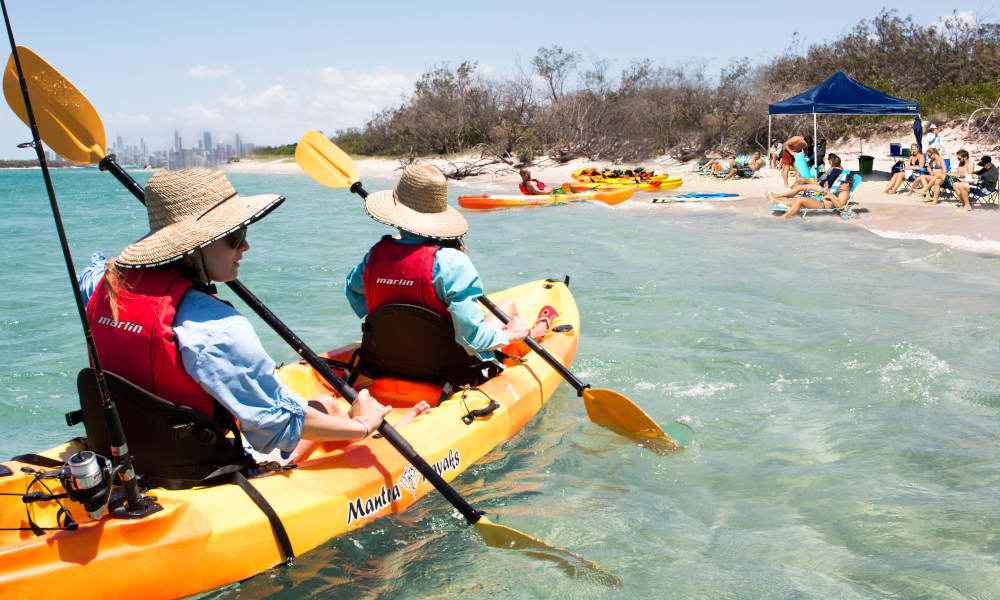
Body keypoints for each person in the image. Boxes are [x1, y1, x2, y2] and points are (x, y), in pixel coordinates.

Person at [79, 168, 404, 467]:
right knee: (329, 406)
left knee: (322, 405)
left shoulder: (98, 284)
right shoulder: (215, 325)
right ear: (194, 246)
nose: (245, 245)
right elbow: (276, 427)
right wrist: (361, 425)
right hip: (198, 464)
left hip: (128, 450)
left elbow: (102, 270)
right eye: (234, 235)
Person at [345, 164, 552, 368]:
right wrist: (510, 334)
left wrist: (395, 289)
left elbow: (353, 290)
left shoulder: (375, 255)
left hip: (388, 361)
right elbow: (472, 340)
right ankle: (528, 337)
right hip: (449, 369)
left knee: (505, 306)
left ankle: (524, 337)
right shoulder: (452, 262)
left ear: (397, 213)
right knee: (507, 311)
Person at [776, 167, 856, 219]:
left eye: (842, 183)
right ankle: (777, 202)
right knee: (796, 200)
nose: (840, 184)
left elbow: (839, 206)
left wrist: (830, 197)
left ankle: (784, 218)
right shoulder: (841, 191)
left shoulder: (845, 193)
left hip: (823, 205)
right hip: (821, 202)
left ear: (847, 184)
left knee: (800, 200)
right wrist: (827, 191)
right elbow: (832, 197)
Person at [767, 154, 844, 203]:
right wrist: (819, 181)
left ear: (832, 161)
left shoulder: (836, 170)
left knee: (801, 186)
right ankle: (789, 194)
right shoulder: (836, 169)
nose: (828, 161)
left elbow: (828, 183)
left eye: (829, 160)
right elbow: (827, 180)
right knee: (801, 181)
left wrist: (817, 182)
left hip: (822, 188)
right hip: (821, 185)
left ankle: (779, 196)